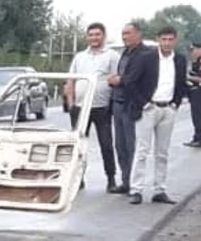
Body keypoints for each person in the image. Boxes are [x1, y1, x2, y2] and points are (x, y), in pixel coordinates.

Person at [126, 26, 187, 204]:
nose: (167, 43)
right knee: (142, 151)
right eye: (164, 39)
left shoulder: (180, 60)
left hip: (167, 108)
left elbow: (181, 83)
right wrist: (144, 103)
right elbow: (131, 82)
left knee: (162, 152)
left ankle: (159, 190)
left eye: (170, 39)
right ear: (158, 40)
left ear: (175, 40)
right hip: (148, 108)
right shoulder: (146, 58)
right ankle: (136, 189)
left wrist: (175, 103)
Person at [66, 22, 121, 191]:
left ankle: (111, 179)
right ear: (87, 37)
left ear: (103, 36)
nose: (94, 38)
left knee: (106, 143)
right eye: (91, 35)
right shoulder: (80, 57)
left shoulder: (112, 56)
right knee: (78, 145)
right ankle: (78, 179)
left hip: (102, 107)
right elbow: (71, 80)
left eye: (97, 34)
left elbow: (117, 78)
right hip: (80, 107)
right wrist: (70, 103)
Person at [107, 23, 158, 194]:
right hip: (117, 103)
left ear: (138, 34)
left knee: (132, 146)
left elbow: (135, 78)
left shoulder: (146, 54)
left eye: (128, 33)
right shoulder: (124, 53)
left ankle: (135, 185)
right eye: (123, 33)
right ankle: (126, 181)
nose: (124, 36)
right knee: (120, 145)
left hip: (132, 105)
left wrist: (120, 80)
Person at [186, 40, 201, 148]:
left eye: (193, 49)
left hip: (199, 91)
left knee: (198, 117)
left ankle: (199, 139)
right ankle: (197, 137)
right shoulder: (196, 61)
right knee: (196, 116)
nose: (192, 52)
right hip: (194, 91)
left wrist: (187, 77)